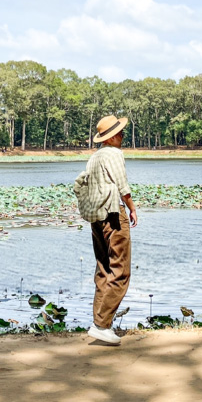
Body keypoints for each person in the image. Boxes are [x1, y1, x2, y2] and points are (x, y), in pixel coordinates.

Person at [85, 114, 138, 345]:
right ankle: (102, 325)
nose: (123, 136)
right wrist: (132, 208)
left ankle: (99, 322)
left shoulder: (94, 157)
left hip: (96, 217)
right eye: (121, 133)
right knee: (121, 270)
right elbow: (122, 186)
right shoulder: (114, 154)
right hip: (113, 214)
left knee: (104, 268)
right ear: (113, 136)